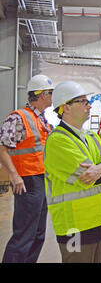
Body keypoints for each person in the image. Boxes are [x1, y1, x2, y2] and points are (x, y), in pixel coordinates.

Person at [43, 81, 101, 263]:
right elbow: (90, 178)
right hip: (74, 226)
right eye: (83, 101)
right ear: (66, 108)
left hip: (96, 219)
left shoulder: (91, 136)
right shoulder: (58, 142)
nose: (89, 105)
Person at [0, 74, 54, 263]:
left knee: (38, 233)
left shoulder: (42, 120)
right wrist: (14, 176)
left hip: (41, 180)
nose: (52, 97)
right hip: (27, 181)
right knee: (24, 234)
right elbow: (2, 148)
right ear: (41, 95)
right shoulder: (18, 117)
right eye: (50, 93)